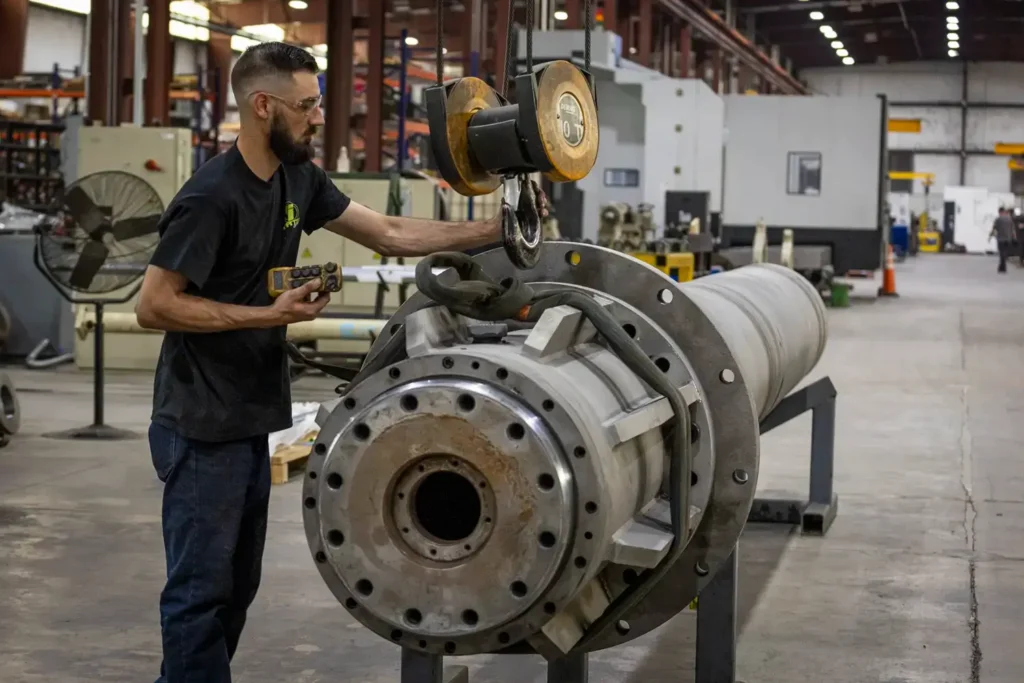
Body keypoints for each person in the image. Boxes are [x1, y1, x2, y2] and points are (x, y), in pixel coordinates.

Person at [135, 42, 545, 683]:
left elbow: (390, 234)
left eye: (319, 102)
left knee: (236, 587)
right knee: (200, 591)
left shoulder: (299, 178)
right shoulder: (211, 197)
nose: (318, 117)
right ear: (262, 105)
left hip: (246, 415)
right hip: (199, 421)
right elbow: (155, 305)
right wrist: (270, 317)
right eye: (306, 105)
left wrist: (494, 231)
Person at [990, 207, 1016, 273]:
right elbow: (1012, 229)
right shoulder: (1009, 219)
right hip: (1008, 239)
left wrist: (991, 236)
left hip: (1000, 238)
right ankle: (1002, 267)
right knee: (1005, 252)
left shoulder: (998, 219)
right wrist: (1013, 237)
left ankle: (1003, 267)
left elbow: (994, 228)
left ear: (1000, 212)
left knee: (1001, 253)